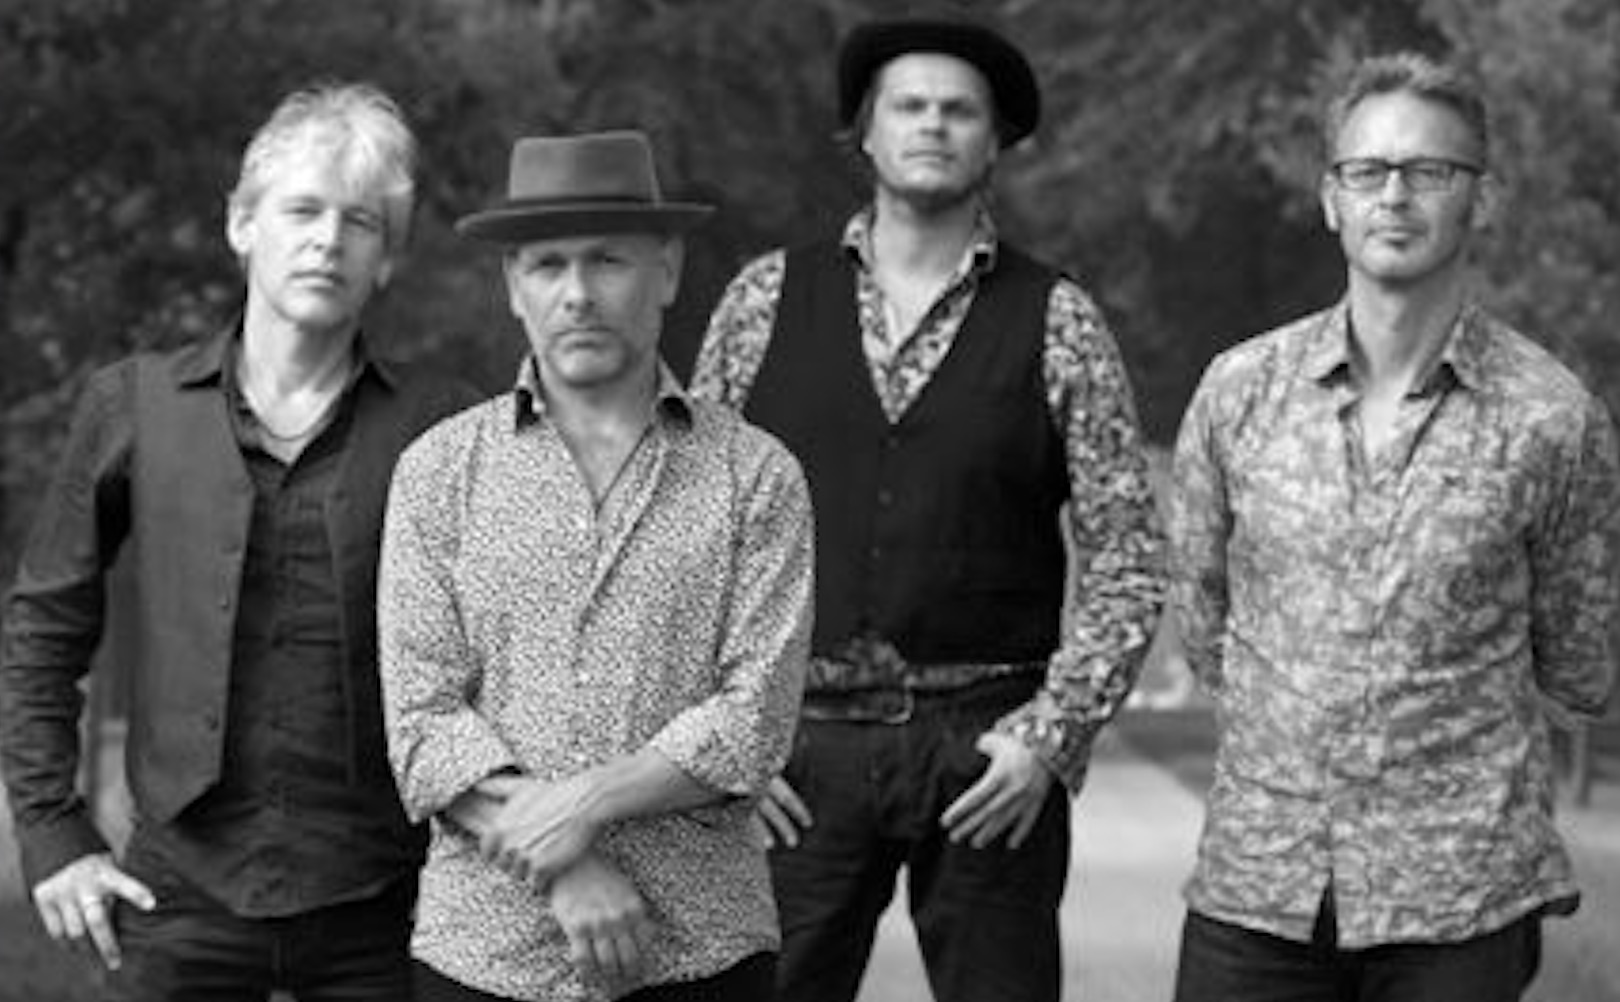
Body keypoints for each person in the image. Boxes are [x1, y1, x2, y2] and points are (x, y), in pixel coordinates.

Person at [690, 17, 1165, 1002]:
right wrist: (720, 744)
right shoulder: (762, 302)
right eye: (909, 106)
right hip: (796, 749)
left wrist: (1051, 736)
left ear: (995, 142)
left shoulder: (1060, 320)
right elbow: (691, 534)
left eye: (960, 111)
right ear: (867, 132)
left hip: (988, 752)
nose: (934, 125)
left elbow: (1128, 558)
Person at [0, 82, 479, 999]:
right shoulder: (131, 405)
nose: (328, 240)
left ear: (386, 259)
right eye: (302, 210)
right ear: (241, 225)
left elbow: (520, 645)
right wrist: (53, 833)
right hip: (177, 893)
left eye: (360, 222)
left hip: (392, 900)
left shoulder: (446, 426)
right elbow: (44, 627)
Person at [1167, 52, 1620, 1002]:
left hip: (1461, 904)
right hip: (1260, 888)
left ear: (1482, 200)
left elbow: (1579, 660)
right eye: (1367, 170)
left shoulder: (1552, 418)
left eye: (1431, 171)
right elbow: (1204, 618)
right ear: (1331, 199)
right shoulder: (1240, 391)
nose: (1396, 195)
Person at [378, 130, 814, 1002]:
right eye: (548, 265)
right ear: (514, 286)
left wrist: (584, 804)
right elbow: (423, 722)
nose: (578, 293)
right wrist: (565, 864)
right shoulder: (439, 471)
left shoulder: (757, 475)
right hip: (483, 953)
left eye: (608, 260)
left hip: (701, 950)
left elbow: (754, 719)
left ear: (667, 271)